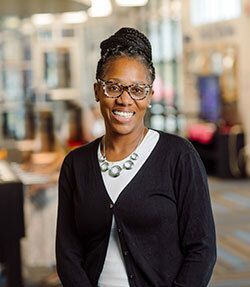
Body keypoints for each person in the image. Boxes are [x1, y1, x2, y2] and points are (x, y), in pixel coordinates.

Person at [56, 27, 216, 287]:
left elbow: (202, 249)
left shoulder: (178, 156)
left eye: (138, 89)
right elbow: (67, 253)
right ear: (97, 91)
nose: (125, 100)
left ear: (150, 95)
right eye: (114, 87)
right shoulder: (76, 164)